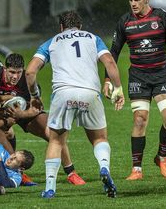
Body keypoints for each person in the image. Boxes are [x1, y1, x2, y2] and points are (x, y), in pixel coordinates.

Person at [26, 11, 124, 198]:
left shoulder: (52, 42)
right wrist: (118, 88)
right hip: (90, 93)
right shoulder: (93, 38)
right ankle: (104, 168)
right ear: (80, 26)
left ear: (61, 27)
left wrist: (34, 95)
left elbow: (30, 72)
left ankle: (50, 188)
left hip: (63, 94)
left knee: (56, 140)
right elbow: (109, 61)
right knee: (99, 138)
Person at [104, 0, 166, 180]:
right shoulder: (125, 22)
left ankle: (162, 157)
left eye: (137, 0)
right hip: (138, 77)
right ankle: (136, 169)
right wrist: (107, 79)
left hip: (161, 75)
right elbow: (113, 52)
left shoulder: (161, 17)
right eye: (130, 0)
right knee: (140, 119)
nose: (133, 3)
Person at [0, 53, 85, 185]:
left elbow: (37, 107)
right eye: (11, 72)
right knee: (7, 133)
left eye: (18, 72)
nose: (15, 76)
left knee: (52, 131)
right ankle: (18, 173)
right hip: (0, 115)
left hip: (24, 113)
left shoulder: (28, 80)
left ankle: (71, 172)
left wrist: (21, 115)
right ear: (5, 70)